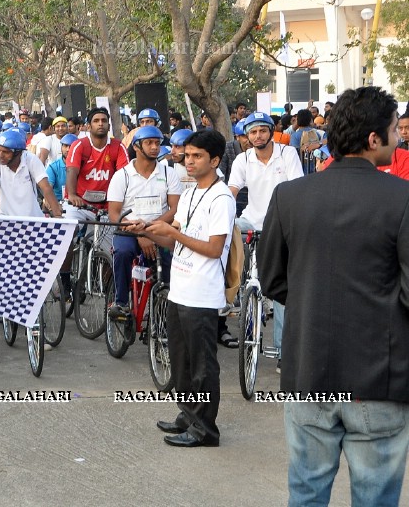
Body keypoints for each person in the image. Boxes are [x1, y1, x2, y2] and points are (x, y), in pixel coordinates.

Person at [260, 86, 409, 506]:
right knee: (375, 496)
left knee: (306, 491)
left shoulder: (290, 197)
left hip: (308, 372)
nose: (400, 139)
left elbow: (272, 280)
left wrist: (313, 301)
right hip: (380, 379)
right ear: (375, 139)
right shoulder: (402, 199)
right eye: (395, 131)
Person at [142, 130, 234, 448]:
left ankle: (205, 430)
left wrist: (172, 232)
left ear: (215, 160)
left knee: (203, 367)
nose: (189, 160)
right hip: (179, 289)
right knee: (181, 363)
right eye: (188, 154)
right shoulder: (191, 191)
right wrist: (147, 230)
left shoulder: (222, 198)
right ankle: (188, 415)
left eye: (197, 156)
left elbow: (212, 248)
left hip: (202, 294)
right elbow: (172, 238)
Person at [226, 111, 303, 368]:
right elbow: (232, 191)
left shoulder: (287, 154)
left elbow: (297, 189)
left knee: (281, 290)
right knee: (225, 233)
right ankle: (230, 289)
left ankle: (283, 351)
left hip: (282, 225)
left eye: (262, 130)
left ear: (271, 131)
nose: (257, 136)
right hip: (251, 220)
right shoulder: (242, 159)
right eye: (252, 132)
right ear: (246, 136)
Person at [106, 126, 181, 319]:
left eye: (157, 143)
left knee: (170, 260)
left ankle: (167, 308)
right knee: (122, 253)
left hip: (159, 230)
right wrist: (138, 232)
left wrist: (147, 229)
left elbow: (174, 209)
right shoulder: (121, 175)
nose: (155, 147)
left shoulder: (168, 173)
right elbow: (114, 215)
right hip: (128, 230)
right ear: (137, 147)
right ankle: (121, 302)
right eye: (149, 143)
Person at [0, 129, 63, 218]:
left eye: (6, 152)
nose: (0, 155)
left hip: (33, 218)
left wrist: (57, 215)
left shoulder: (31, 159)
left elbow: (46, 187)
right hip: (6, 218)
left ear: (19, 153)